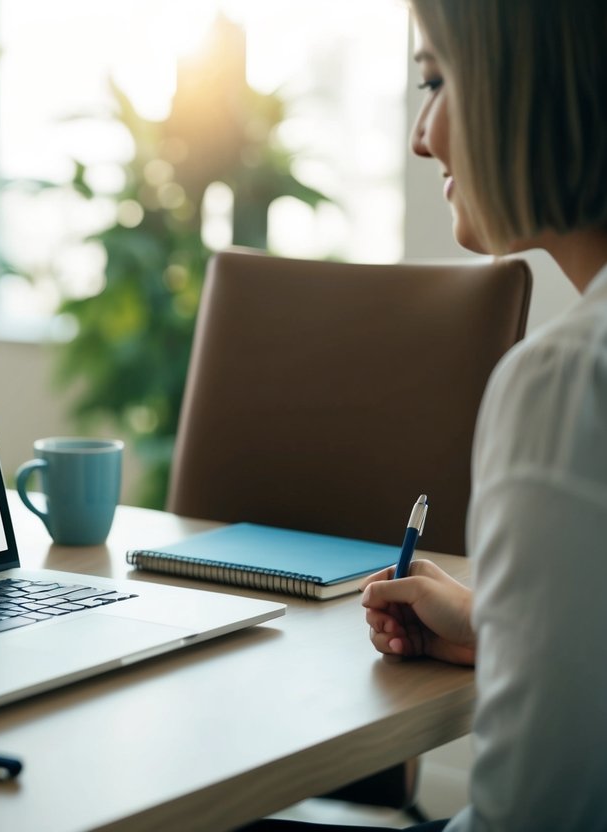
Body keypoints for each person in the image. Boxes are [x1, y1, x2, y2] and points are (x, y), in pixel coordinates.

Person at [244, 1, 607, 830]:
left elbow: (531, 817)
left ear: (536, 86)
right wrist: (504, 626)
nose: (421, 135)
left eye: (435, 81)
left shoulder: (568, 381)